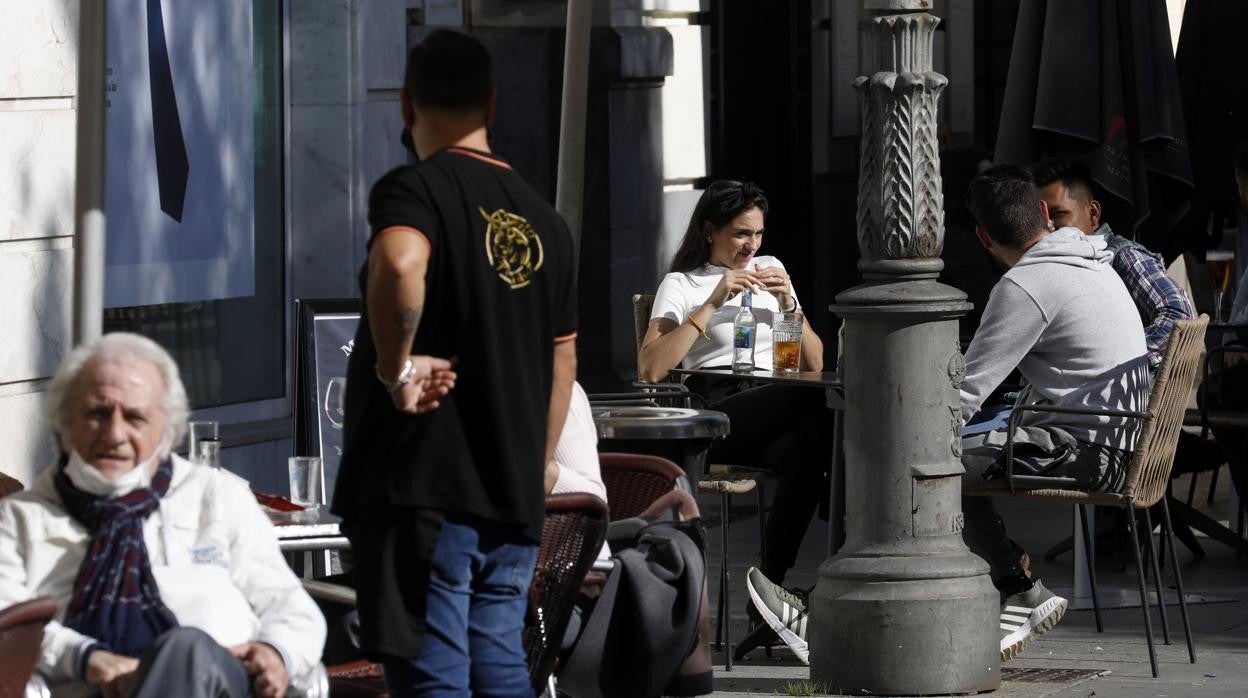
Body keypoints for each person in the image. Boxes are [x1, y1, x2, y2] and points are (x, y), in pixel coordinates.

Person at [745, 165, 1151, 665]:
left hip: (1084, 451)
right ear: (1044, 213)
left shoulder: (1027, 285)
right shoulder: (1093, 259)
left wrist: (900, 439)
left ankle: (852, 610)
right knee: (934, 457)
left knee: (922, 467)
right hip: (1118, 441)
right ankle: (997, 587)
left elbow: (966, 395)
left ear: (982, 236)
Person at [332, 29, 577, 696]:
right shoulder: (547, 222)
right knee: (499, 664)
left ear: (406, 103)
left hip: (425, 487)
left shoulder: (415, 188)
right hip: (510, 492)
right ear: (492, 105)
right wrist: (539, 459)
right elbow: (564, 360)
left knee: (434, 677)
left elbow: (400, 261)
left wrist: (394, 369)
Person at [0, 333, 326, 697]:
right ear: (64, 421)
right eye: (97, 412)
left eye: (135, 417)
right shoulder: (20, 518)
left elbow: (293, 611)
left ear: (166, 430)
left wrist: (276, 653)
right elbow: (6, 623)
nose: (115, 433)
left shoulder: (214, 497)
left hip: (224, 683)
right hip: (86, 688)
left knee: (184, 651)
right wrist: (84, 656)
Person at [638, 179, 827, 587]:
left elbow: (814, 363)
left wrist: (788, 304)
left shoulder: (772, 270)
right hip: (715, 411)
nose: (751, 245)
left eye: (758, 233)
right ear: (709, 230)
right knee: (811, 405)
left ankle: (769, 587)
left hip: (778, 402)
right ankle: (850, 514)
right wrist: (711, 304)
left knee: (806, 450)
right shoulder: (683, 283)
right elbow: (651, 368)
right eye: (741, 233)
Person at [1031, 158, 1195, 369]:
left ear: (1093, 214)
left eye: (1057, 214)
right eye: (1040, 219)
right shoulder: (1056, 265)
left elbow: (1178, 314)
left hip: (1111, 397)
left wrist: (1116, 367)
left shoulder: (1121, 256)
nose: (1048, 227)